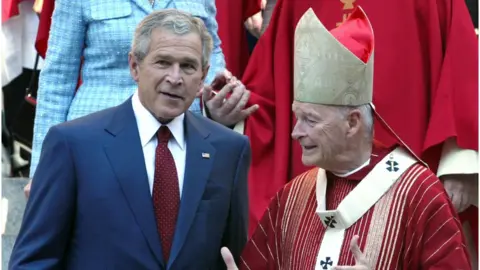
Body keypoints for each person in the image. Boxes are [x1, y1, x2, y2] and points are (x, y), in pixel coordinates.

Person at [220, 7, 471, 269]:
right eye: (297, 117)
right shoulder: (292, 198)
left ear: (352, 123)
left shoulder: (420, 196)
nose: (295, 132)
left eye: (311, 120)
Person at [9, 10, 250, 269]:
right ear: (134, 66)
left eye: (188, 66)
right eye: (163, 62)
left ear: (202, 76)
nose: (175, 78)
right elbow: (34, 261)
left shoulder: (228, 150)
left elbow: (231, 254)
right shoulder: (73, 146)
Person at [24, 0, 258, 197]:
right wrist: (42, 170)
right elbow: (57, 77)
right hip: (96, 147)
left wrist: (216, 100)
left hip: (179, 143)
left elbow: (211, 51)